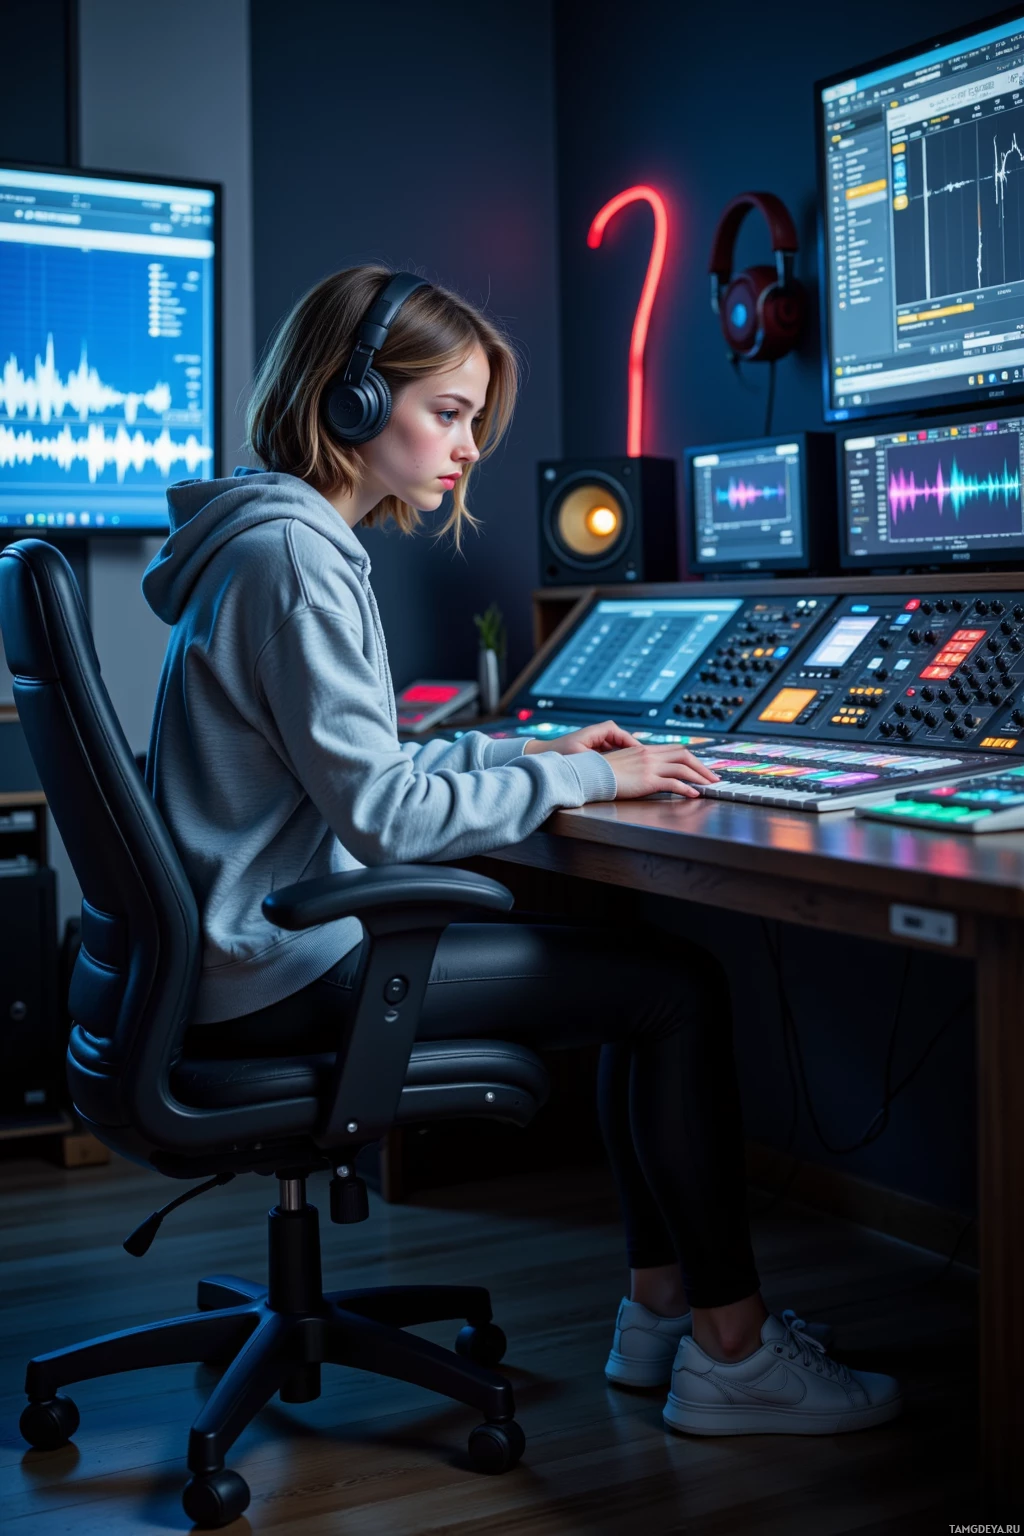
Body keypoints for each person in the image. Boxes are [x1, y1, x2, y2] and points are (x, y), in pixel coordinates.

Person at [142, 264, 901, 1438]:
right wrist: (591, 774)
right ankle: (732, 1351)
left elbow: (362, 777)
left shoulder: (260, 540)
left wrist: (534, 762)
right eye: (446, 414)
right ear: (346, 400)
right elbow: (383, 820)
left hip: (238, 954)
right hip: (276, 971)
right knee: (674, 991)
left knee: (643, 977)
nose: (466, 451)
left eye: (473, 425)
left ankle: (661, 1314)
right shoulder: (295, 561)